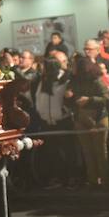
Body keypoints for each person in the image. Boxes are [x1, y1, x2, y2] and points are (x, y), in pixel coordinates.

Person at [66, 40, 109, 187]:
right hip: (82, 117)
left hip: (98, 117)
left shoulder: (96, 81)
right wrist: (69, 97)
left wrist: (89, 99)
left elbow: (107, 98)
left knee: (100, 151)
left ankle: (105, 180)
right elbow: (69, 100)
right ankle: (92, 180)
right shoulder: (74, 82)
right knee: (87, 152)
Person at [34, 53, 75, 188]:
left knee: (67, 151)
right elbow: (39, 98)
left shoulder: (65, 79)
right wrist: (42, 113)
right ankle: (58, 177)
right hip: (48, 121)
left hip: (62, 120)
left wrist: (64, 110)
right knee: (52, 152)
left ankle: (71, 177)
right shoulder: (44, 81)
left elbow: (67, 98)